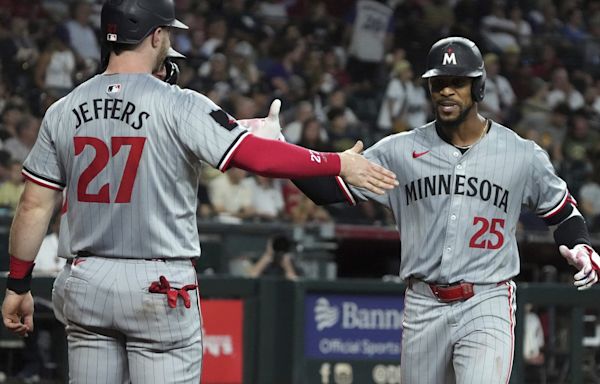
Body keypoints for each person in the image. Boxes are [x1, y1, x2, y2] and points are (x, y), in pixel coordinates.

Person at [0, 2, 397, 384]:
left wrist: (18, 284)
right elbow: (257, 159)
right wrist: (338, 163)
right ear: (155, 35)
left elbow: (34, 205)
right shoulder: (180, 104)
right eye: (169, 34)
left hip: (85, 280)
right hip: (156, 282)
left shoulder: (63, 109)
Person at [288, 36, 600, 384]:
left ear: (478, 88)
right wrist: (280, 151)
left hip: (487, 298)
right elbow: (327, 189)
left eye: (457, 83)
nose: (446, 92)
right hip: (423, 304)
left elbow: (563, 212)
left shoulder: (521, 154)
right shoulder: (399, 151)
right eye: (438, 84)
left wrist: (581, 245)